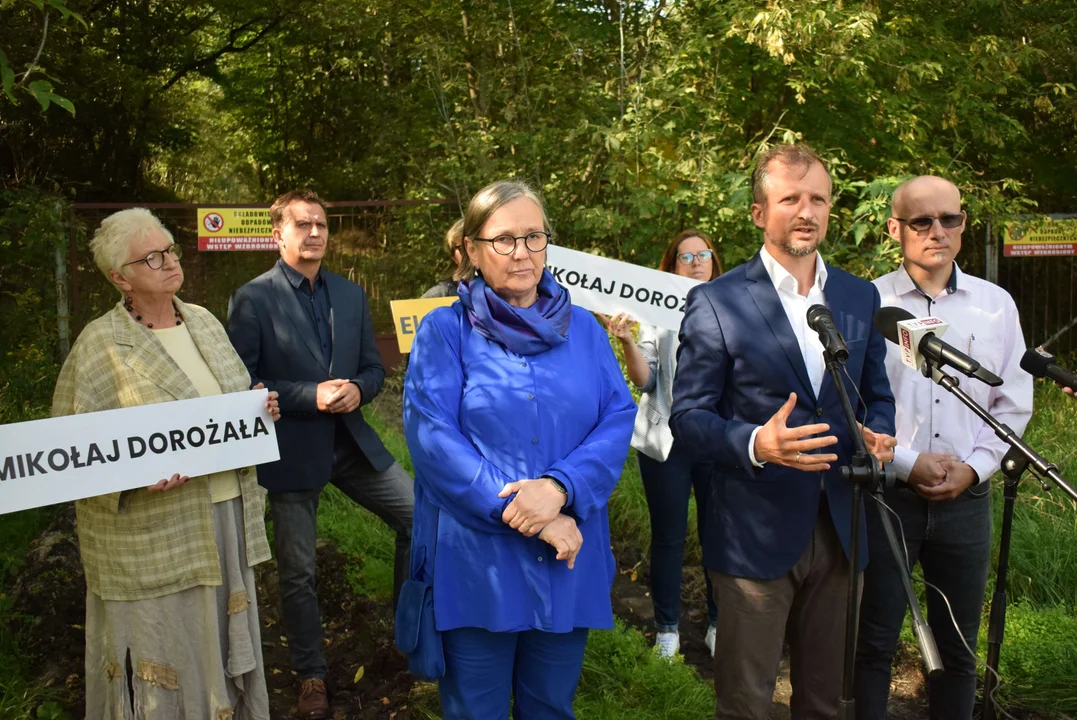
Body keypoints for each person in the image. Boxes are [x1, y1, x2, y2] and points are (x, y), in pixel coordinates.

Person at [670, 143, 897, 720]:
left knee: (826, 704)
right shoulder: (715, 302)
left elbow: (877, 395)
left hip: (844, 529)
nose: (806, 211)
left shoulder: (857, 295)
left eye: (817, 198)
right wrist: (755, 443)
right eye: (790, 198)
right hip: (754, 533)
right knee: (746, 705)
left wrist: (877, 433)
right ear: (757, 213)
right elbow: (688, 417)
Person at [402, 180, 636, 719]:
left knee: (551, 706)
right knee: (474, 709)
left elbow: (617, 416)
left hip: (566, 554)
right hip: (477, 562)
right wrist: (531, 514)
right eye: (504, 239)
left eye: (534, 237)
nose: (522, 252)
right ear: (472, 250)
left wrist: (559, 489)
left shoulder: (585, 331)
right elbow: (432, 437)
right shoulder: (445, 330)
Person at [52, 208, 281, 720]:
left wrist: (260, 407)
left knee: (222, 655)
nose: (168, 262)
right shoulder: (100, 345)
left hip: (225, 515)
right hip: (156, 535)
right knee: (173, 662)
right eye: (151, 257)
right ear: (120, 277)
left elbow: (235, 401)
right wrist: (132, 478)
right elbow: (66, 452)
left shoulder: (202, 320)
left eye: (170, 249)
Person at [226, 189, 414, 719]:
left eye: (322, 225)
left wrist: (360, 388)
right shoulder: (252, 298)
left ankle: (408, 636)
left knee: (422, 521)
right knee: (298, 572)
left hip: (352, 445)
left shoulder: (351, 296)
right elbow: (241, 381)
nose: (314, 233)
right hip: (291, 453)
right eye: (302, 224)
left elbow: (373, 370)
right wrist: (309, 396)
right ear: (277, 234)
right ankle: (311, 676)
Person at [854, 176, 1033, 720]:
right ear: (895, 229)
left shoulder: (996, 305)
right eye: (921, 221)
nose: (938, 231)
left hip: (966, 503)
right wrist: (907, 464)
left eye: (949, 219)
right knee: (873, 641)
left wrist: (975, 470)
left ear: (962, 225)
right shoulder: (867, 303)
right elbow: (850, 406)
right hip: (888, 498)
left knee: (958, 648)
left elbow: (1013, 404)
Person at [600, 229, 723, 659]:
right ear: (671, 266)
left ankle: (717, 623)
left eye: (702, 254)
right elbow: (646, 380)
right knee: (668, 537)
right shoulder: (657, 310)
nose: (694, 262)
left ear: (714, 261)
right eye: (685, 257)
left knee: (718, 535)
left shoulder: (735, 306)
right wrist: (629, 341)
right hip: (665, 439)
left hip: (718, 440)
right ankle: (667, 629)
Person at [420, 219, 465, 298]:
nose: (472, 254)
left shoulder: (493, 293)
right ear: (453, 257)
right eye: (463, 248)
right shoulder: (436, 297)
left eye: (477, 246)